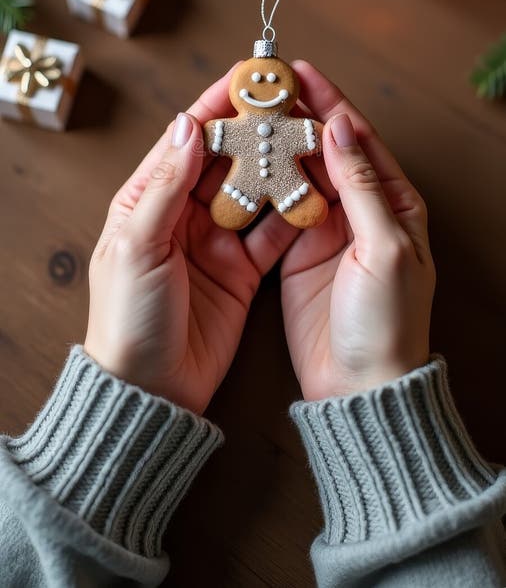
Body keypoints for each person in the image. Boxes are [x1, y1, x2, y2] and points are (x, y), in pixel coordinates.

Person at [1, 61, 505, 588]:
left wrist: (132, 388)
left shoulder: (297, 131)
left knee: (296, 200)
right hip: (240, 190)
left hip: (290, 190)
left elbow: (309, 134)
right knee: (239, 203)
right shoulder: (232, 130)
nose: (265, 86)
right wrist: (377, 389)